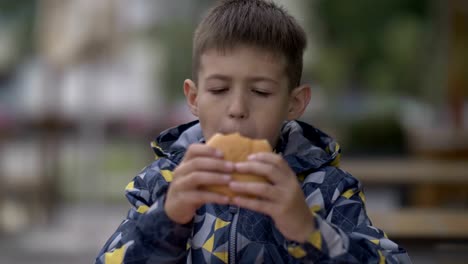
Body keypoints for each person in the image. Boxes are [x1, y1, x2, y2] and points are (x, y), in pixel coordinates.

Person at [96, 0, 411, 263]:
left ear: (294, 102)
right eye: (219, 89)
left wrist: (308, 229)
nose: (237, 108)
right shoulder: (162, 182)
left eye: (260, 92)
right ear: (194, 98)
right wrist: (168, 217)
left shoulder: (325, 189)